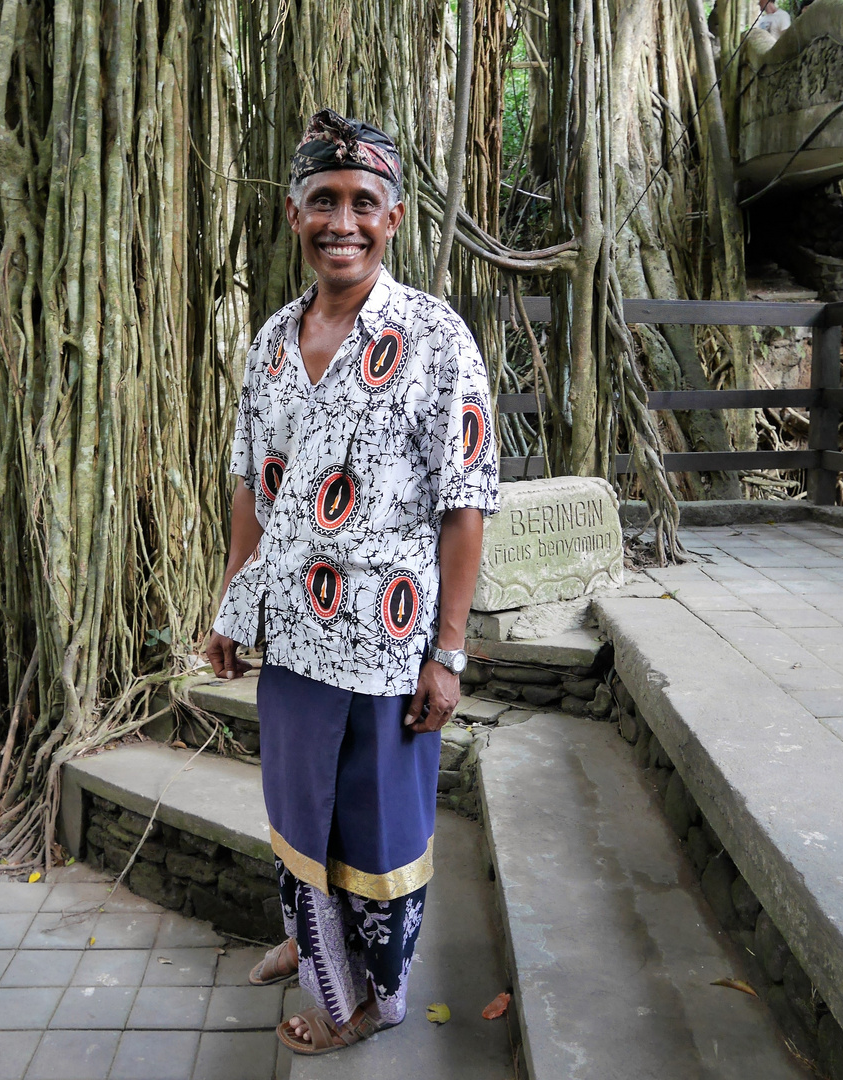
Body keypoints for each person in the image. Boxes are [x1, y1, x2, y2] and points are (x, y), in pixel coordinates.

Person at [205, 108, 499, 1056]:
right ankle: (310, 939)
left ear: (395, 216)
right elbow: (253, 485)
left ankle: (370, 1000)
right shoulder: (271, 343)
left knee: (379, 832)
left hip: (387, 645)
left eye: (362, 202)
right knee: (297, 808)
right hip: (293, 633)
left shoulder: (435, 340)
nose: (343, 220)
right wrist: (230, 602)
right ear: (294, 217)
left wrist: (447, 654)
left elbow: (466, 505)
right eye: (322, 201)